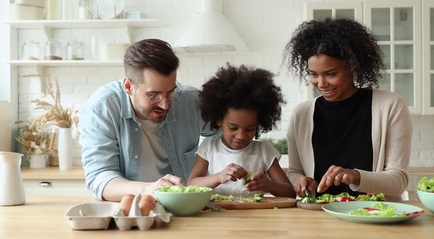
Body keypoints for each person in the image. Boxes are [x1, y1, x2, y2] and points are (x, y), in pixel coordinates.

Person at [283, 18, 412, 201]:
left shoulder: (390, 106)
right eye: (313, 74)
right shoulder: (301, 114)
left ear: (352, 66)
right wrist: (300, 181)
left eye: (331, 74)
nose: (321, 84)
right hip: (317, 218)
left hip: (373, 216)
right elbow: (294, 171)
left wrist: (355, 176)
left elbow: (398, 181)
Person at [78, 39, 218, 201]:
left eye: (171, 92)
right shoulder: (101, 109)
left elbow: (230, 133)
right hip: (131, 210)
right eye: (153, 95)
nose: (165, 104)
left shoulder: (190, 101)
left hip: (185, 207)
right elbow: (99, 178)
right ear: (128, 86)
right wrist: (148, 189)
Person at [187, 64, 295, 198]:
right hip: (215, 215)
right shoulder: (209, 147)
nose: (241, 136)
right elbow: (191, 184)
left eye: (250, 129)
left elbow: (290, 192)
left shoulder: (264, 150)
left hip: (254, 216)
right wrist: (219, 177)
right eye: (233, 128)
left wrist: (269, 185)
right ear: (219, 119)